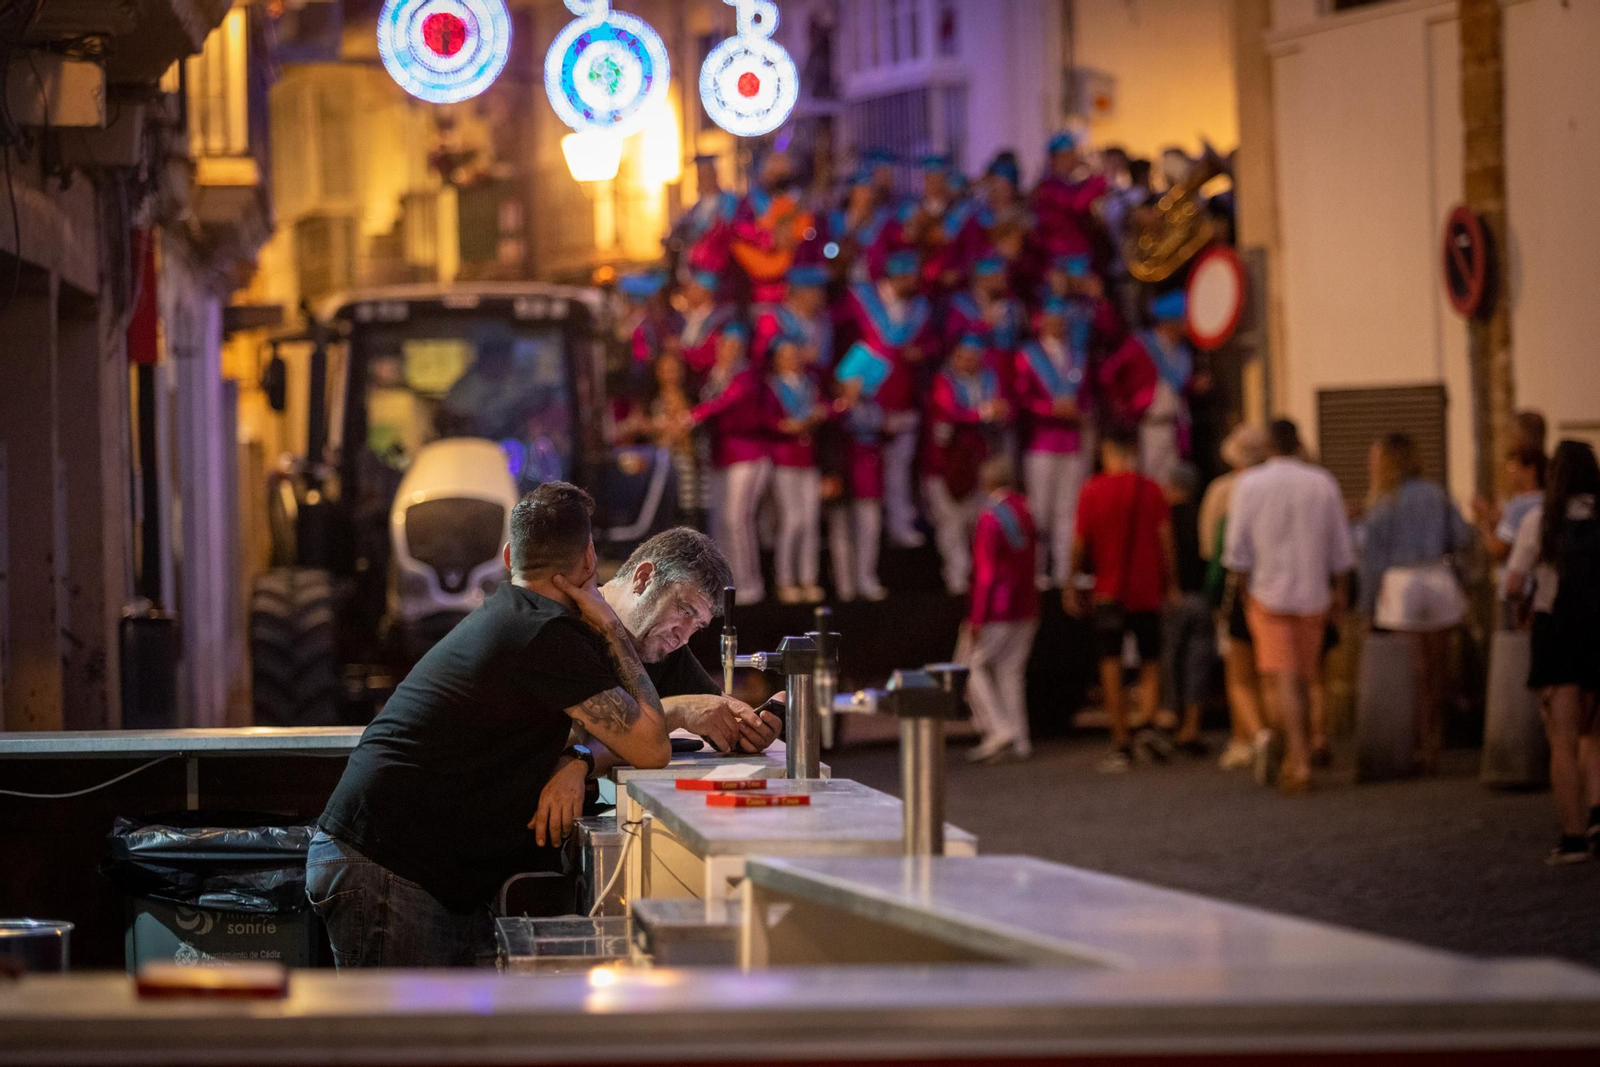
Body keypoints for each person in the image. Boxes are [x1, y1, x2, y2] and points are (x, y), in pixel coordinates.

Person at [308, 489, 779, 968]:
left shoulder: (562, 625)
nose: (685, 633)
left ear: (511, 556)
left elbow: (717, 713)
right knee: (404, 1041)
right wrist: (622, 643)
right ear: (599, 562)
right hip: (390, 859)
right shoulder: (543, 630)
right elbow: (651, 745)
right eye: (683, 612)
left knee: (447, 1038)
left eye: (697, 624)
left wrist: (766, 719)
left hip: (431, 867)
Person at [1223, 419, 1354, 794]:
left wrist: (1244, 589)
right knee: (1307, 675)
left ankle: (1298, 758)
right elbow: (1340, 544)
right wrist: (1339, 589)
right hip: (1314, 591)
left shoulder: (1250, 485)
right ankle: (1310, 743)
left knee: (1281, 676)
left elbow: (1238, 550)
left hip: (1269, 592)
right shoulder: (1322, 482)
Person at [1505, 440, 1600, 864]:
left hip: (1556, 634)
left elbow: (1513, 584)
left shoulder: (1539, 522)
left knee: (1561, 739)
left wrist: (1521, 612)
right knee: (1595, 734)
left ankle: (1573, 837)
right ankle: (1598, 813)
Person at [1359, 433, 1474, 773]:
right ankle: (1433, 740)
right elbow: (1463, 536)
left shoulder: (1385, 503)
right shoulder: (1436, 494)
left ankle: (1414, 742)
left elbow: (1372, 561)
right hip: (1437, 579)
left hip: (1401, 584)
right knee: (1437, 670)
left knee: (1412, 671)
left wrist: (1366, 607)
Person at [1067, 423, 1178, 773]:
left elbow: (1079, 543)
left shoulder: (1092, 490)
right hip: (1146, 590)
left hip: (1108, 591)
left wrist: (1071, 582)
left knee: (1110, 664)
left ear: (1108, 454)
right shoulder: (1152, 490)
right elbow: (1166, 542)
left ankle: (1120, 740)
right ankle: (1146, 722)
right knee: (1150, 661)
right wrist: (1170, 583)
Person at [840, 248, 934, 548]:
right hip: (866, 400)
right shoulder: (863, 300)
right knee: (864, 475)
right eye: (908, 277)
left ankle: (899, 526)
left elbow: (933, 342)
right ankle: (867, 538)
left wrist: (922, 353)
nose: (913, 282)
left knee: (899, 469)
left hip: (904, 396)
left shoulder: (918, 308)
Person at [684, 324, 774, 605]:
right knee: (720, 521)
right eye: (724, 345)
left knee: (738, 519)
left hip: (747, 454)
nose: (727, 352)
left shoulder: (746, 376)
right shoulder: (714, 375)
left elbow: (727, 402)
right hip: (721, 454)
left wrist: (693, 415)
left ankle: (750, 585)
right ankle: (726, 583)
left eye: (734, 347)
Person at [1197, 424, 1268, 771]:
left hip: (1236, 588)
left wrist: (1214, 597)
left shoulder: (1223, 491)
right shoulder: (1277, 487)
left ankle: (1246, 737)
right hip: (1277, 586)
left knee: (1238, 670)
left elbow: (1212, 548)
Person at [965, 457, 1041, 763]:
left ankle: (999, 728)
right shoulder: (1026, 509)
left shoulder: (990, 517)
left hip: (999, 606)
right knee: (1011, 672)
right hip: (1027, 602)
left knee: (973, 667)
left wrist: (977, 615)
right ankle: (1020, 738)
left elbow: (986, 573)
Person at [1015, 297, 1094, 589]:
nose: (1058, 324)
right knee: (1040, 510)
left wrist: (1080, 412)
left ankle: (1064, 572)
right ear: (1042, 322)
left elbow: (1086, 396)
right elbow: (1022, 399)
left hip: (1071, 443)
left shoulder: (1077, 356)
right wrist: (1051, 410)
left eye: (1062, 319)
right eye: (1052, 319)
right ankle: (1036, 572)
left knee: (1068, 510)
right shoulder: (1028, 356)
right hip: (1042, 444)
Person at [923, 334, 1008, 595]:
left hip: (977, 465)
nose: (970, 362)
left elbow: (1004, 408)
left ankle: (979, 578)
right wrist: (983, 413)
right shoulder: (943, 381)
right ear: (955, 357)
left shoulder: (988, 380)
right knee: (951, 524)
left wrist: (997, 412)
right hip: (944, 466)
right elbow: (949, 411)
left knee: (978, 524)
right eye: (965, 356)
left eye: (975, 357)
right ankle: (957, 580)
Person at [1100, 289, 1207, 486]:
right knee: (1149, 482)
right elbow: (1108, 373)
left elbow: (1176, 383)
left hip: (1175, 426)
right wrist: (1125, 406)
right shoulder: (1140, 345)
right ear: (1172, 322)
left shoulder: (1181, 351)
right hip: (1149, 426)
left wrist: (1193, 385)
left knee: (1173, 484)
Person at [767, 334, 827, 604]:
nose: (792, 360)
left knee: (811, 521)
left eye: (795, 355)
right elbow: (767, 420)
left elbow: (825, 411)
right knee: (792, 520)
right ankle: (785, 580)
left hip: (808, 458)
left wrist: (818, 416)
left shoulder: (810, 385)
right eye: (786, 356)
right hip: (784, 458)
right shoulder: (772, 386)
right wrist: (785, 426)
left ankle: (808, 578)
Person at [1159, 462, 1213, 755]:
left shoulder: (1163, 519)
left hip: (1173, 599)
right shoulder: (1202, 517)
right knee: (1198, 662)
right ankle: (1191, 727)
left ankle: (1169, 718)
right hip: (1201, 598)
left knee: (1171, 661)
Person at [1472, 445, 1547, 609]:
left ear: (1530, 470)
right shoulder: (1548, 501)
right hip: (1541, 589)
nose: (1509, 474)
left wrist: (1483, 522)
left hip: (1517, 592)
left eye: (1513, 468)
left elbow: (1499, 549)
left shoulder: (1520, 506)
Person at [1031, 131, 1107, 264]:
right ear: (1054, 159)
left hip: (1075, 251)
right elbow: (1077, 204)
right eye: (1066, 156)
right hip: (1059, 254)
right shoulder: (1048, 188)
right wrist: (1098, 178)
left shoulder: (1068, 185)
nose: (1073, 160)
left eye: (1072, 155)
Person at [753, 264, 835, 371]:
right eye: (816, 291)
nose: (822, 296)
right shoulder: (774, 317)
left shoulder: (824, 322)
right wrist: (796, 354)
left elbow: (825, 359)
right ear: (801, 293)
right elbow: (760, 355)